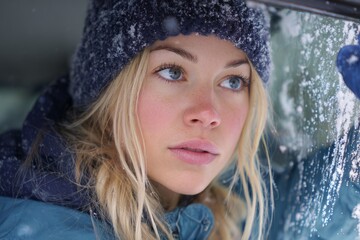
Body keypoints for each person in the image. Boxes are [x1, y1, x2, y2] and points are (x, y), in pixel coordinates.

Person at [0, 0, 272, 239]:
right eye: (173, 72)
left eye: (233, 81)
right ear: (111, 93)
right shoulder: (53, 231)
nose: (209, 114)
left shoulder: (207, 202)